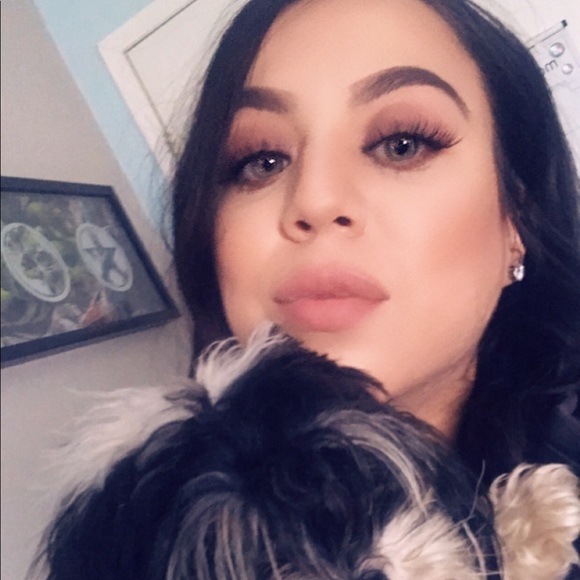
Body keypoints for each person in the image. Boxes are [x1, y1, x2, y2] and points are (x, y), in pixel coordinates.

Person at [172, 0, 580, 483]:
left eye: (402, 145)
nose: (315, 200)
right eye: (262, 162)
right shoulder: (135, 517)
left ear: (516, 220)